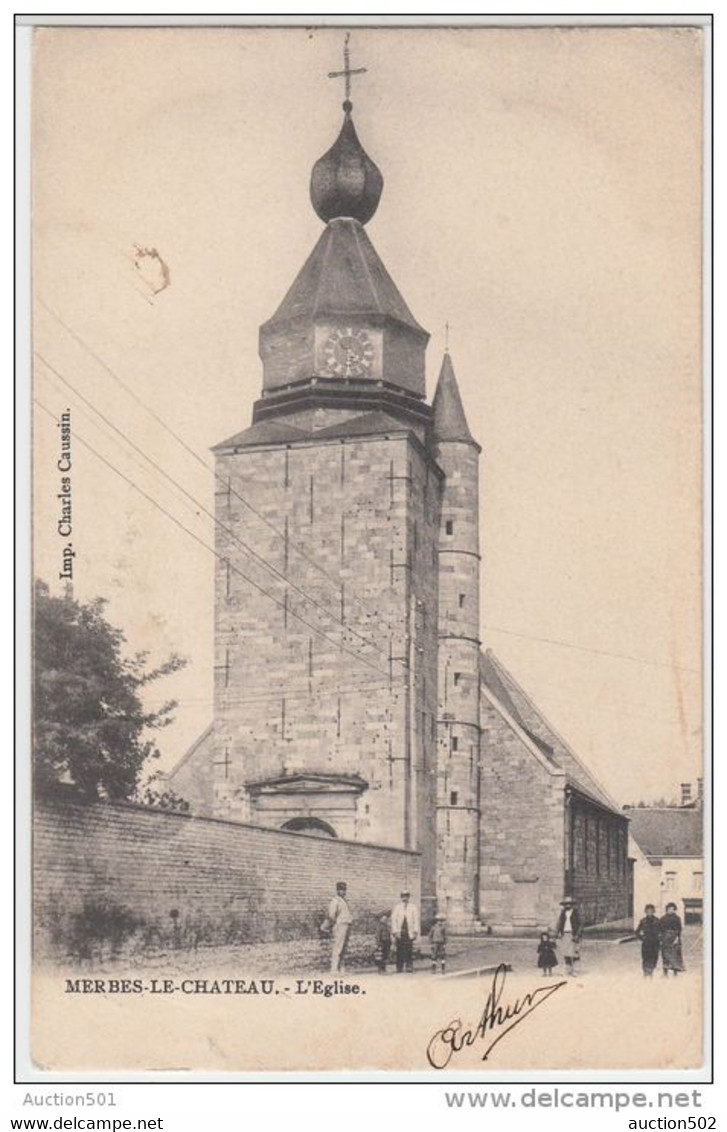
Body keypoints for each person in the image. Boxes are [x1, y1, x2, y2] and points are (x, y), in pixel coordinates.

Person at [326, 881, 353, 973]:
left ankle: (341, 967)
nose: (343, 892)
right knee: (338, 946)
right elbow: (331, 915)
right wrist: (334, 925)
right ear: (337, 890)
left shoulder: (344, 901)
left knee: (344, 947)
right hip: (340, 925)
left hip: (346, 925)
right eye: (341, 890)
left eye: (344, 890)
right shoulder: (335, 901)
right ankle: (334, 968)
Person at [391, 890, 419, 973]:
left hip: (409, 932)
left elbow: (416, 920)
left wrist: (415, 931)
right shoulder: (397, 907)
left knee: (409, 950)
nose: (405, 898)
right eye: (403, 896)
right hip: (400, 932)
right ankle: (399, 967)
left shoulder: (413, 907)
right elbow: (394, 920)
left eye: (406, 896)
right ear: (401, 897)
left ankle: (409, 966)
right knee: (399, 950)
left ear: (408, 897)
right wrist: (395, 932)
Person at [555, 896, 582, 977]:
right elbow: (559, 923)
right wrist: (557, 933)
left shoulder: (576, 913)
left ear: (572, 904)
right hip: (565, 934)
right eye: (566, 904)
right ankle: (568, 969)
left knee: (575, 953)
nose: (567, 905)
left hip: (573, 934)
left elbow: (580, 924)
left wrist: (577, 935)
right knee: (566, 953)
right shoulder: (563, 913)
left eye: (569, 904)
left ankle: (576, 970)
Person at [635, 903, 661, 977]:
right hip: (646, 943)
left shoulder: (657, 921)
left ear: (654, 911)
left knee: (654, 958)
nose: (650, 912)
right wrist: (642, 938)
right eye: (648, 911)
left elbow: (661, 931)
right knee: (646, 958)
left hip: (655, 943)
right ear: (645, 911)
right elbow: (637, 932)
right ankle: (645, 974)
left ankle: (651, 973)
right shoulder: (643, 921)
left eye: (651, 911)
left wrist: (659, 939)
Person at [660, 901, 685, 976]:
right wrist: (661, 939)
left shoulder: (677, 918)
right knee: (665, 955)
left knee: (675, 956)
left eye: (673, 909)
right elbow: (660, 930)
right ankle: (665, 973)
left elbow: (679, 929)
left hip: (674, 939)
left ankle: (675, 973)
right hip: (665, 939)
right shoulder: (663, 918)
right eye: (670, 909)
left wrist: (677, 938)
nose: (671, 910)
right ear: (667, 909)